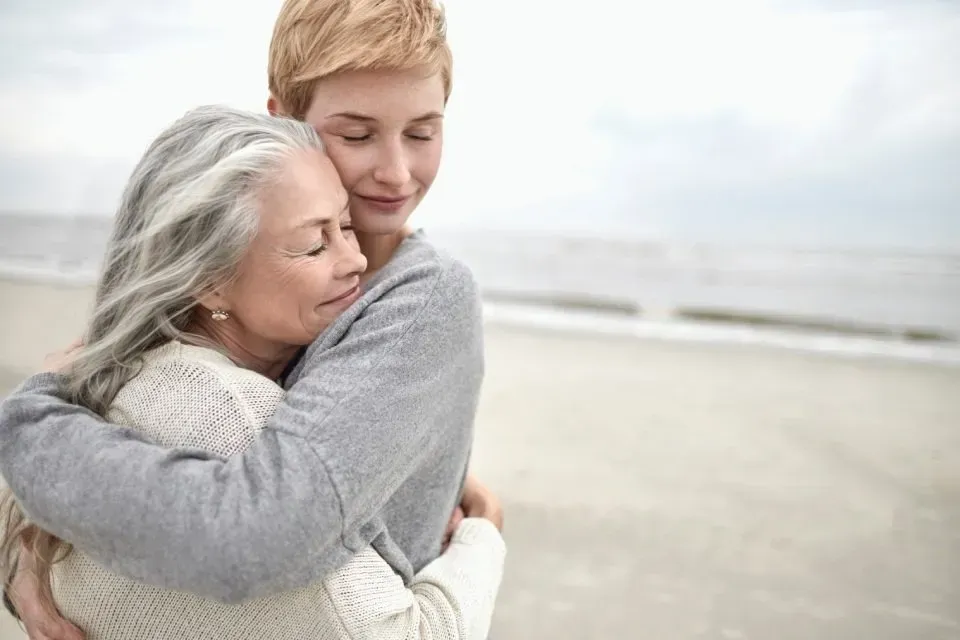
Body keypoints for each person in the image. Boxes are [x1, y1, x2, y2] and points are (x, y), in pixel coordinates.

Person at [0, 0, 503, 637]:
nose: (396, 172)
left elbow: (262, 531)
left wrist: (27, 429)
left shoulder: (421, 299)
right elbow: (102, 394)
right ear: (286, 119)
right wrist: (19, 557)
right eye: (355, 134)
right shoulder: (222, 277)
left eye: (423, 133)